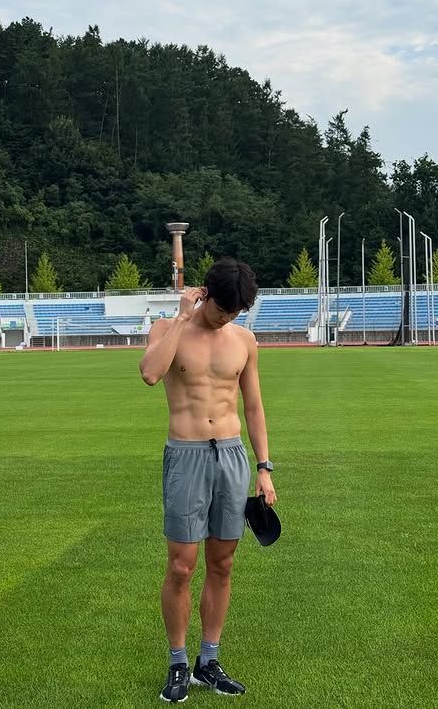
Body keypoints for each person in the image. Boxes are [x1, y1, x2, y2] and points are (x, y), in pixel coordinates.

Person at [139, 258, 277, 703]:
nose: (226, 318)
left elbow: (253, 406)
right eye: (222, 309)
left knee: (223, 563)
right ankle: (178, 662)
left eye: (236, 312)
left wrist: (264, 467)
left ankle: (208, 661)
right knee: (181, 566)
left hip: (232, 456)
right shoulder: (168, 329)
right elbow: (150, 374)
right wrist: (182, 318)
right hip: (187, 455)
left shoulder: (244, 340)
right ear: (204, 294)